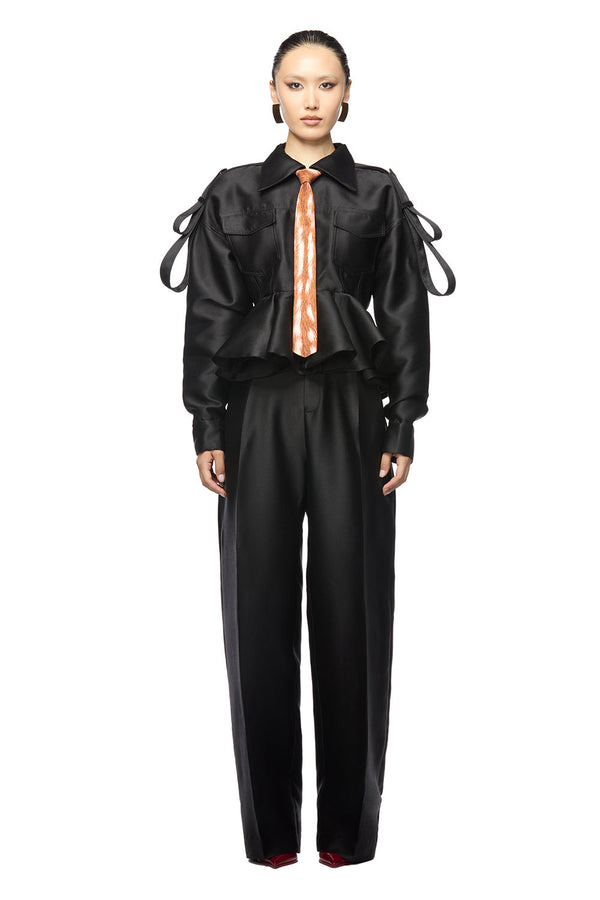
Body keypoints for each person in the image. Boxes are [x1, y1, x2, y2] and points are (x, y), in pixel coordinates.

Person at [160, 29, 455, 869]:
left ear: (348, 93)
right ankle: (271, 835)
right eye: (296, 84)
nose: (312, 99)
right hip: (256, 408)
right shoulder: (232, 193)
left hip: (350, 407)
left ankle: (346, 835)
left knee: (351, 607)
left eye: (326, 84)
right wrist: (207, 424)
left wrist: (402, 421)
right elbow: (209, 314)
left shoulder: (378, 194)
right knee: (255, 613)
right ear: (273, 93)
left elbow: (404, 312)